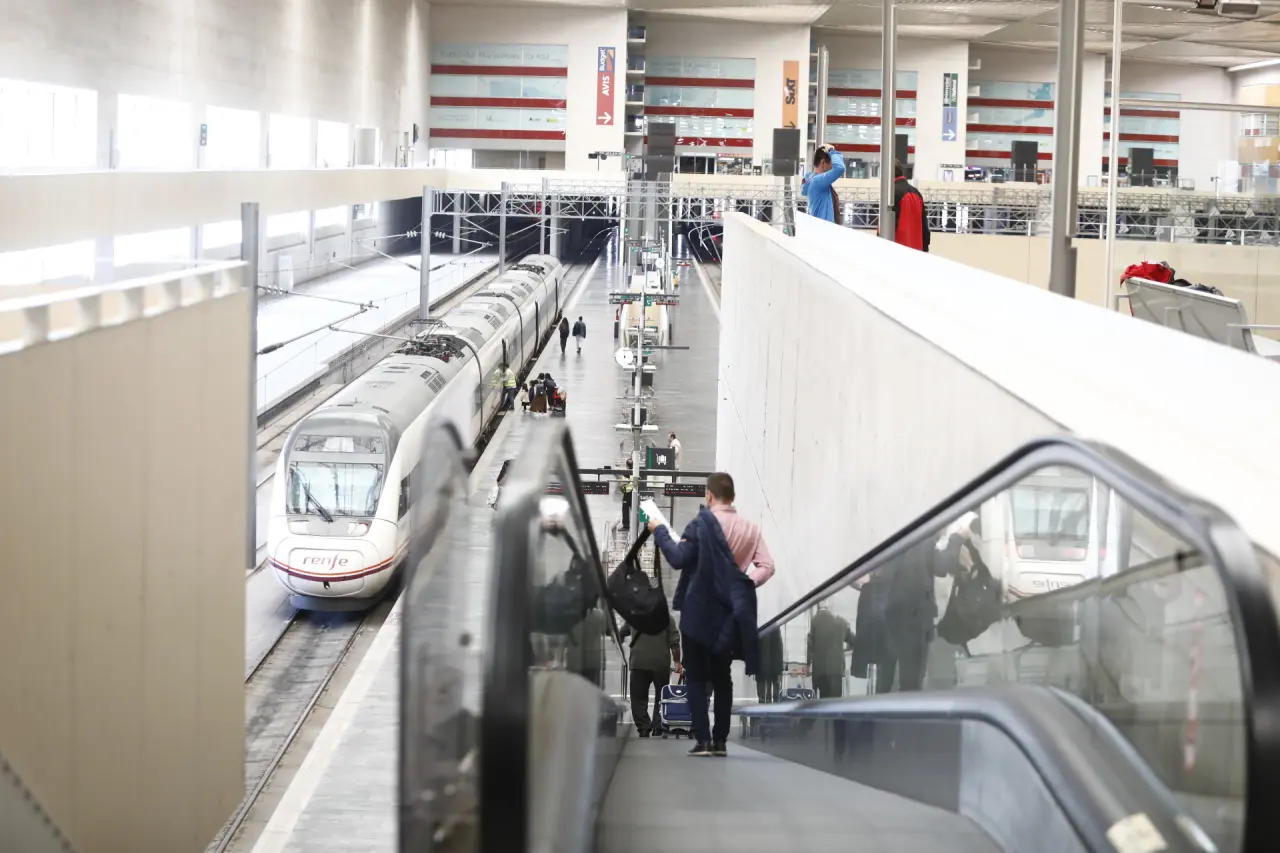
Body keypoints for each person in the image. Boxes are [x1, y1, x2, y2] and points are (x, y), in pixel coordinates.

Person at [648, 472, 768, 757]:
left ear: (709, 496)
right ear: (733, 496)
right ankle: (721, 741)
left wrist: (659, 531)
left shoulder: (701, 525)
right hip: (728, 615)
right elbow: (767, 566)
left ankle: (702, 740)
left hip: (698, 612)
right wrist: (740, 584)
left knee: (696, 678)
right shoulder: (750, 528)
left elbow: (678, 558)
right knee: (722, 677)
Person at [621, 617, 682, 737]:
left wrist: (621, 641)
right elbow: (674, 643)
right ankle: (658, 727)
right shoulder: (667, 618)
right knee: (661, 696)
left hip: (638, 662)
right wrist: (677, 662)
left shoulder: (634, 616)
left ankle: (643, 727)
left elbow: (621, 633)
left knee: (638, 697)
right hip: (660, 663)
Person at [893, 159, 931, 253]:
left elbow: (887, 225)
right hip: (916, 252)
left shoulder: (891, 192)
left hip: (897, 251)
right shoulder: (916, 192)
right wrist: (925, 249)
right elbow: (924, 226)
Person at [801, 143, 845, 224]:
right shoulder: (817, 181)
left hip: (820, 227)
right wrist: (832, 151)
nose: (832, 168)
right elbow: (839, 169)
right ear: (823, 163)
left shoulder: (813, 180)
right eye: (831, 164)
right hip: (824, 228)